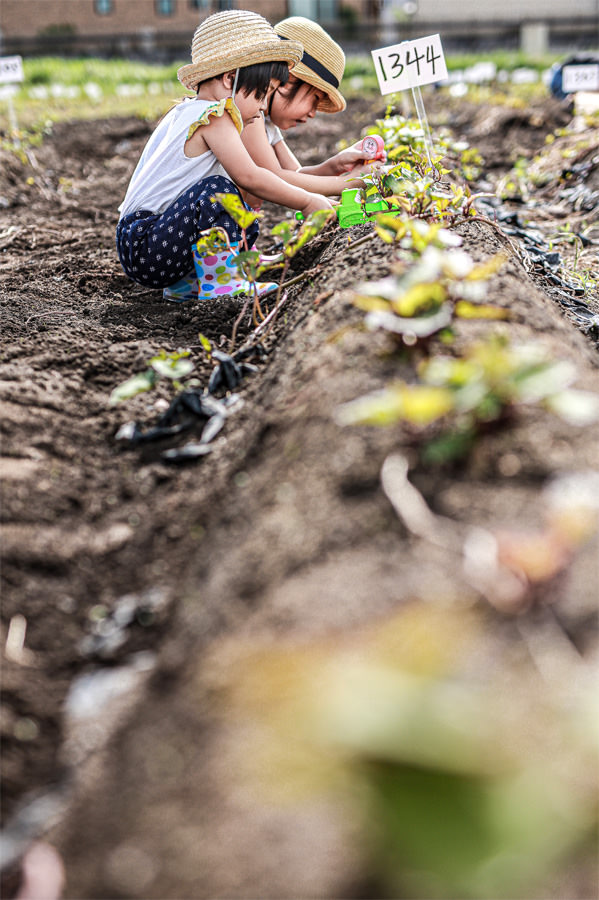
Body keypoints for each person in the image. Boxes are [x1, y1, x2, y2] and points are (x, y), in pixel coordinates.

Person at [116, 10, 332, 303]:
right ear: (231, 79)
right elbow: (251, 176)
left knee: (230, 201)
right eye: (262, 93)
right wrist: (308, 201)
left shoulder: (186, 112)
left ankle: (187, 283)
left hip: (145, 240)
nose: (261, 108)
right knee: (219, 194)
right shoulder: (213, 118)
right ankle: (223, 283)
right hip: (146, 246)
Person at [241, 17, 385, 207]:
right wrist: (348, 182)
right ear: (287, 79)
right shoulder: (249, 116)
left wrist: (335, 166)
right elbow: (275, 178)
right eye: (315, 100)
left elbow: (295, 176)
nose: (312, 114)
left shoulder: (268, 125)